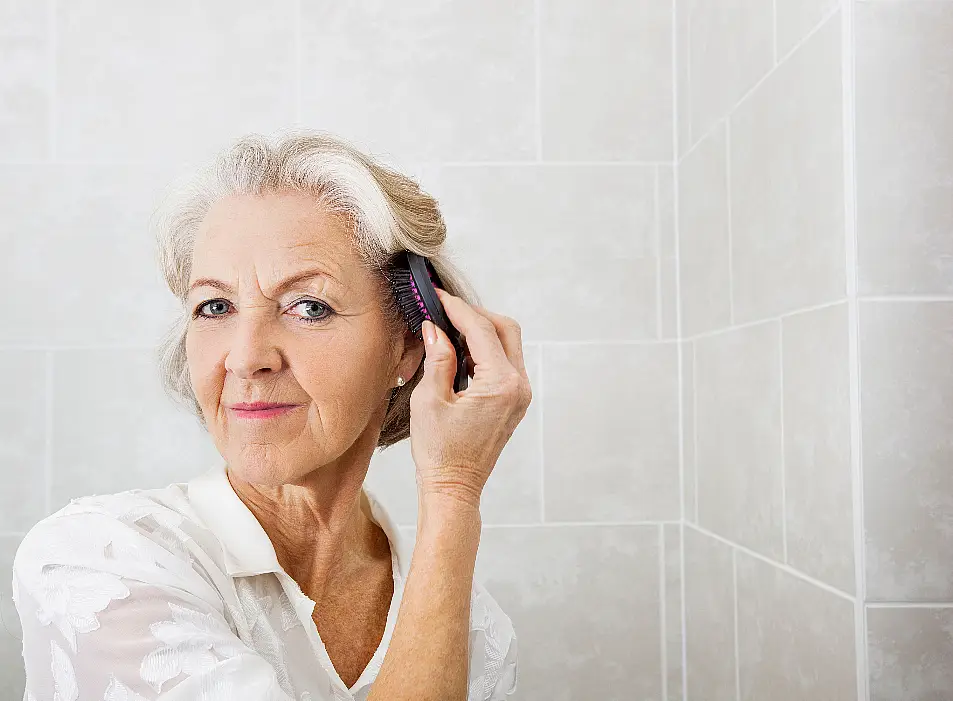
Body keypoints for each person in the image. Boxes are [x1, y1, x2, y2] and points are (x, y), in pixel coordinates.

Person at [11, 130, 533, 701]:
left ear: (412, 345)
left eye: (309, 307)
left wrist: (452, 496)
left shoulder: (472, 626)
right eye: (215, 306)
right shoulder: (100, 563)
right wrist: (452, 494)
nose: (246, 357)